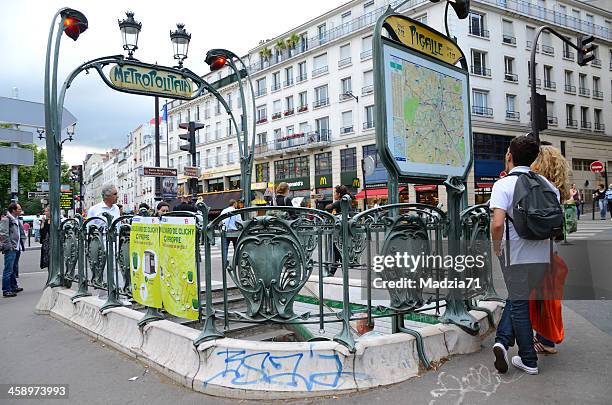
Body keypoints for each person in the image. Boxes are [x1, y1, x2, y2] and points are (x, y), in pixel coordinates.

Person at [490, 135, 560, 376]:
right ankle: (503, 341)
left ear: (509, 155)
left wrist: (496, 247)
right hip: (542, 255)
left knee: (519, 304)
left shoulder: (503, 185)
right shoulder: (547, 185)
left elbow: (497, 223)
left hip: (515, 254)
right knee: (519, 299)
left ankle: (528, 359)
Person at [530, 145, 570, 355]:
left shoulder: (539, 188)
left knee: (537, 297)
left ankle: (545, 340)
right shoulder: (556, 189)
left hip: (538, 250)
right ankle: (546, 338)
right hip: (551, 250)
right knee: (547, 298)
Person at [0, 203, 26, 297]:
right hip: (11, 248)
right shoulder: (6, 219)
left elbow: (21, 233)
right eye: (19, 209)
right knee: (8, 269)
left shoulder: (16, 219)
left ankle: (13, 286)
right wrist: (10, 246)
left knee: (13, 269)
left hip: (17, 247)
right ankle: (6, 290)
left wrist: (22, 241)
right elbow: (3, 235)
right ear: (14, 210)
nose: (20, 210)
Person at [220, 199, 240, 268]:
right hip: (235, 232)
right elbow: (239, 222)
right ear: (234, 204)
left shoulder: (224, 211)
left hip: (225, 231)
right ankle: (236, 261)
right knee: (236, 247)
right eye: (236, 203)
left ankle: (224, 263)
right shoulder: (237, 211)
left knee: (225, 249)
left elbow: (221, 221)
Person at [39, 206, 51, 271]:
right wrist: (43, 222)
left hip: (52, 244)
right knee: (48, 262)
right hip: (46, 244)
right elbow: (42, 233)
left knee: (52, 261)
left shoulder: (55, 220)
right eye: (45, 211)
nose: (45, 213)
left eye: (46, 211)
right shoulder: (45, 221)